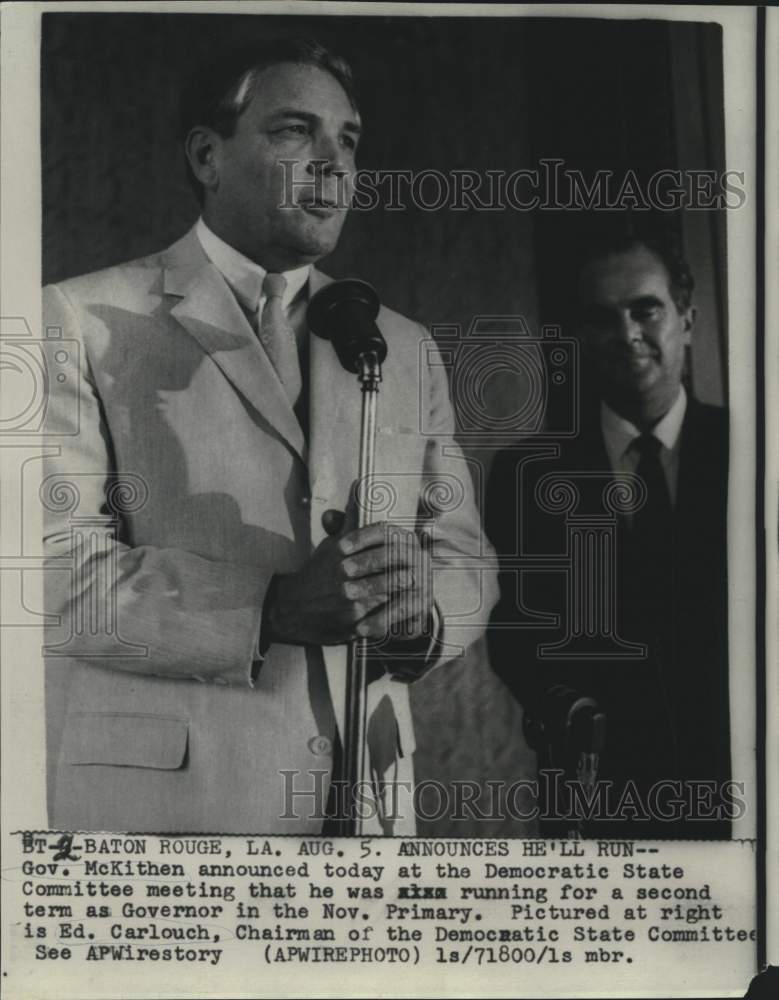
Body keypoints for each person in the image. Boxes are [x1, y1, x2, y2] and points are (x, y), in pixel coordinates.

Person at [42, 38, 496, 835]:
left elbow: (464, 561)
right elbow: (50, 579)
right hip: (171, 813)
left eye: (347, 139)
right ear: (208, 155)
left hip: (366, 810)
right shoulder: (70, 320)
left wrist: (420, 615)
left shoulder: (404, 345)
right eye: (295, 131)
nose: (333, 163)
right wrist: (272, 609)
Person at [487, 234, 731, 838]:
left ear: (687, 321)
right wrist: (571, 712)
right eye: (601, 317)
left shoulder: (756, 453)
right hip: (601, 805)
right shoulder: (527, 477)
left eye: (645, 309)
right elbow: (516, 639)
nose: (625, 334)